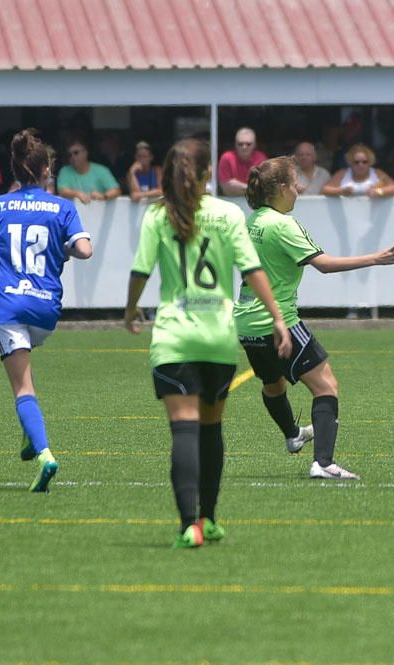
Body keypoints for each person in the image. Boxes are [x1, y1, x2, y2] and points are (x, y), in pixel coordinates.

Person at [125, 138, 292, 549]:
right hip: (218, 337)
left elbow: (141, 270)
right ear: (205, 175)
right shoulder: (227, 213)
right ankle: (211, 518)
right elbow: (251, 269)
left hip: (175, 337)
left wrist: (129, 310)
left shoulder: (158, 216)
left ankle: (188, 525)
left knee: (183, 430)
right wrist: (277, 318)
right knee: (212, 428)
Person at [236, 157, 394, 480]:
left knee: (273, 385)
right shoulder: (283, 224)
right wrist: (377, 258)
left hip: (245, 322)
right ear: (283, 189)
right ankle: (324, 463)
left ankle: (292, 434)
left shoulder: (254, 220)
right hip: (278, 321)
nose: (300, 189)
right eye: (295, 183)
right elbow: (324, 264)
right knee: (326, 386)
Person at [0, 128, 93, 493]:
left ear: (15, 169)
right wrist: (63, 245)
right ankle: (29, 439)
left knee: (22, 387)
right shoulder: (62, 206)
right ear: (46, 172)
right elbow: (85, 251)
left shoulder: (1, 205)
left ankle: (44, 454)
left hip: (9, 306)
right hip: (46, 310)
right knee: (27, 368)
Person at [321, 143, 394, 198]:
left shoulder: (377, 173)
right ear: (350, 162)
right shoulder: (343, 173)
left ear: (370, 161)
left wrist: (379, 191)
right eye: (356, 162)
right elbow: (325, 189)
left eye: (364, 162)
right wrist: (341, 191)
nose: (360, 165)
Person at [57, 138, 121, 204]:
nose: (72, 157)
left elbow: (116, 190)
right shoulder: (64, 171)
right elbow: (62, 190)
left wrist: (103, 196)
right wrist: (77, 194)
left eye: (76, 153)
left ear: (85, 153)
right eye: (69, 155)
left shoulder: (101, 170)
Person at [218, 127, 268, 196]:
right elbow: (226, 190)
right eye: (240, 144)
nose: (244, 147)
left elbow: (262, 190)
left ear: (255, 145)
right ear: (235, 144)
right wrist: (250, 188)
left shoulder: (261, 158)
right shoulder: (226, 158)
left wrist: (238, 186)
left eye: (248, 144)